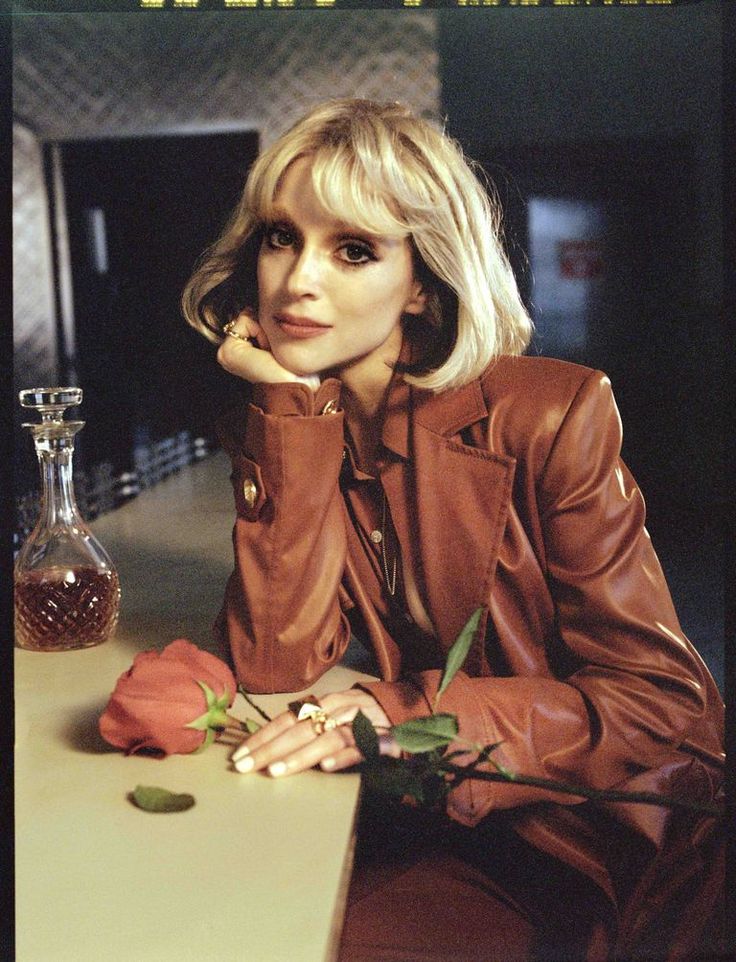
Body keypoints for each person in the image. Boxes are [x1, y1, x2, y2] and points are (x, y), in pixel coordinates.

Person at [182, 99, 724, 962]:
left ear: (424, 281)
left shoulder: (551, 413)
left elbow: (663, 704)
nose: (296, 281)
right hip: (431, 812)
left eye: (353, 249)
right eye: (282, 238)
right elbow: (272, 661)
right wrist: (288, 411)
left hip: (589, 831)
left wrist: (403, 709)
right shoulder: (305, 417)